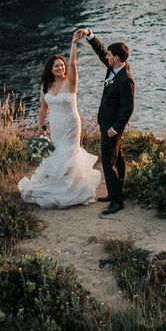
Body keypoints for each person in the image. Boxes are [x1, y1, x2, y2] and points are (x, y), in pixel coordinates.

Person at [18, 31, 100, 209]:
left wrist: (73, 44)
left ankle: (72, 189)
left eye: (62, 66)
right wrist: (40, 127)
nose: (60, 68)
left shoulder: (70, 82)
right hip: (56, 124)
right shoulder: (45, 86)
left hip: (71, 123)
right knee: (56, 153)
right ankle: (57, 186)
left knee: (68, 153)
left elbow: (73, 63)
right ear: (50, 68)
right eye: (56, 66)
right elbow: (43, 108)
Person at [74, 27, 135, 216]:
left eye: (110, 55)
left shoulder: (126, 80)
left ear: (117, 58)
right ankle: (118, 192)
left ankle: (116, 201)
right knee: (119, 158)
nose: (106, 57)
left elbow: (128, 108)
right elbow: (101, 52)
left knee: (108, 162)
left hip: (112, 127)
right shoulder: (114, 67)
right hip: (107, 122)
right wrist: (89, 35)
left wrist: (116, 128)